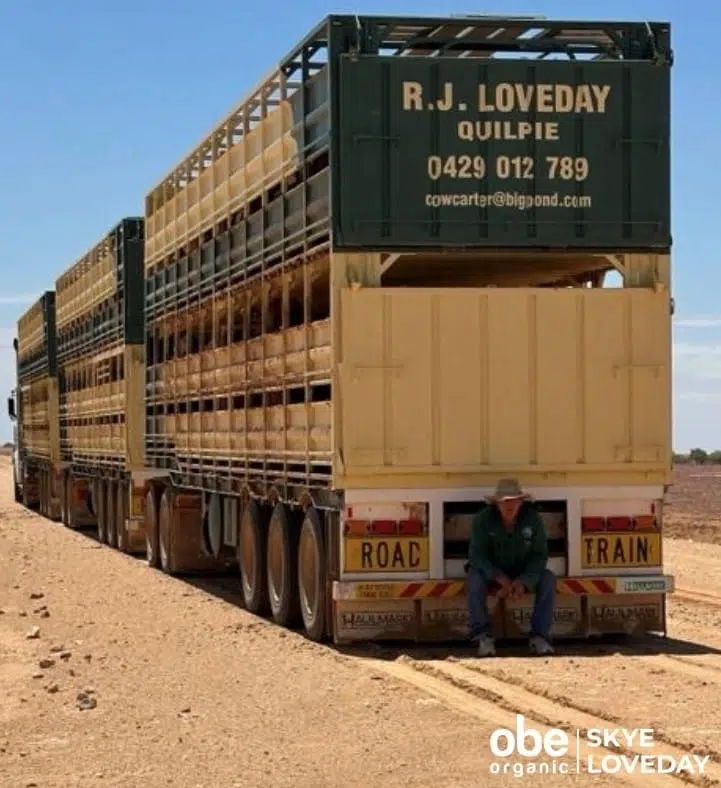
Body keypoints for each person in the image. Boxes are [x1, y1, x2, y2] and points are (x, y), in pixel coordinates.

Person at [466, 478, 555, 657]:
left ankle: (540, 636)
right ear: (496, 503)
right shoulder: (482, 519)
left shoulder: (533, 519)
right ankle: (483, 635)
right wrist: (499, 578)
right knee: (474, 578)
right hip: (493, 572)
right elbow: (477, 556)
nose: (509, 506)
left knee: (548, 578)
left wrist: (524, 581)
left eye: (513, 501)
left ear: (521, 502)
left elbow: (540, 555)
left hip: (521, 572)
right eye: (505, 502)